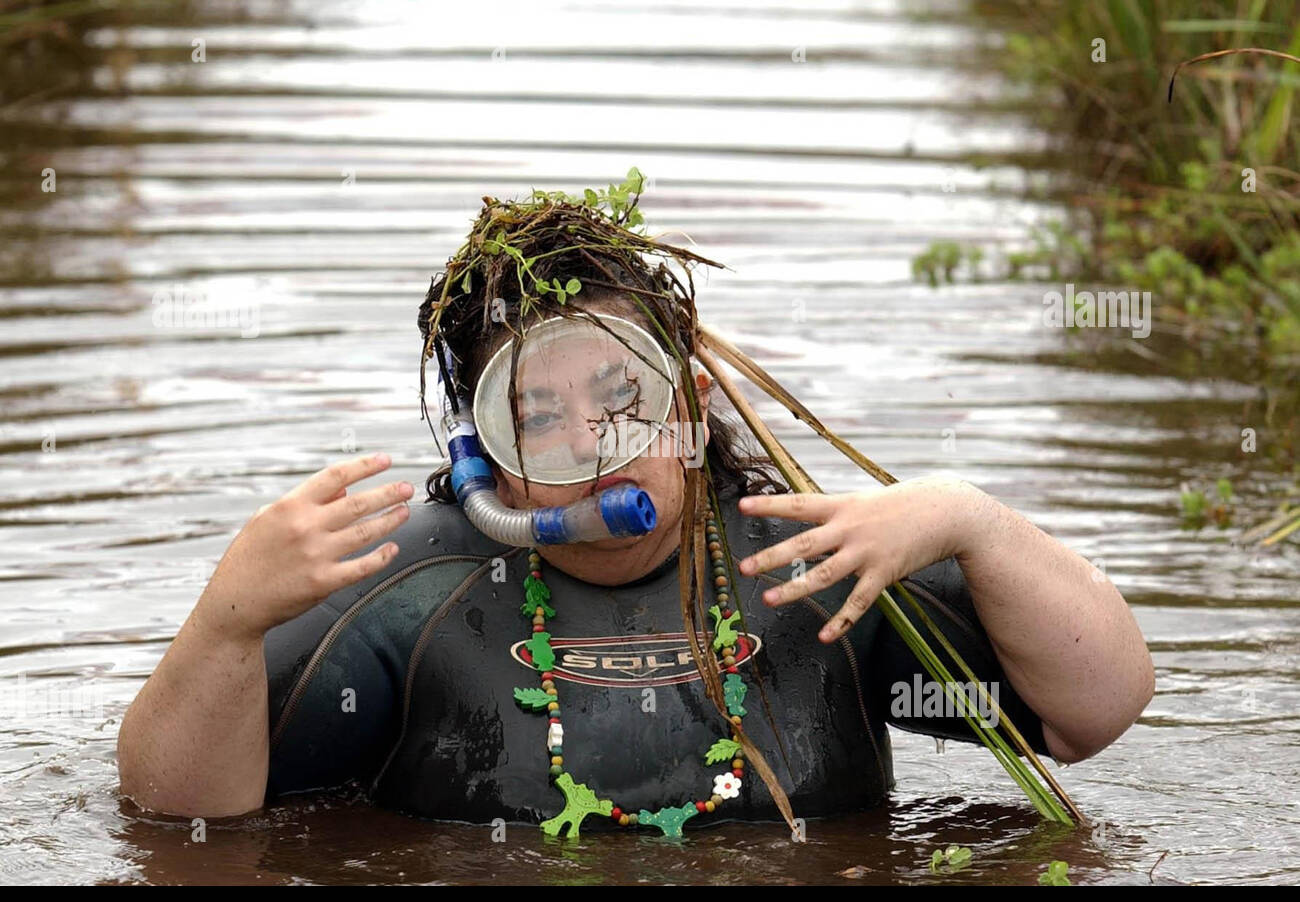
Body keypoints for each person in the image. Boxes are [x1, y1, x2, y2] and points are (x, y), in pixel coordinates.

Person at [116, 189, 1154, 833]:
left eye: (624, 398)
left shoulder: (819, 560)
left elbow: (1096, 709)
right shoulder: (410, 584)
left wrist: (972, 517)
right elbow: (178, 822)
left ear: (691, 410)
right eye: (537, 413)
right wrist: (225, 621)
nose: (590, 443)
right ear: (482, 449)